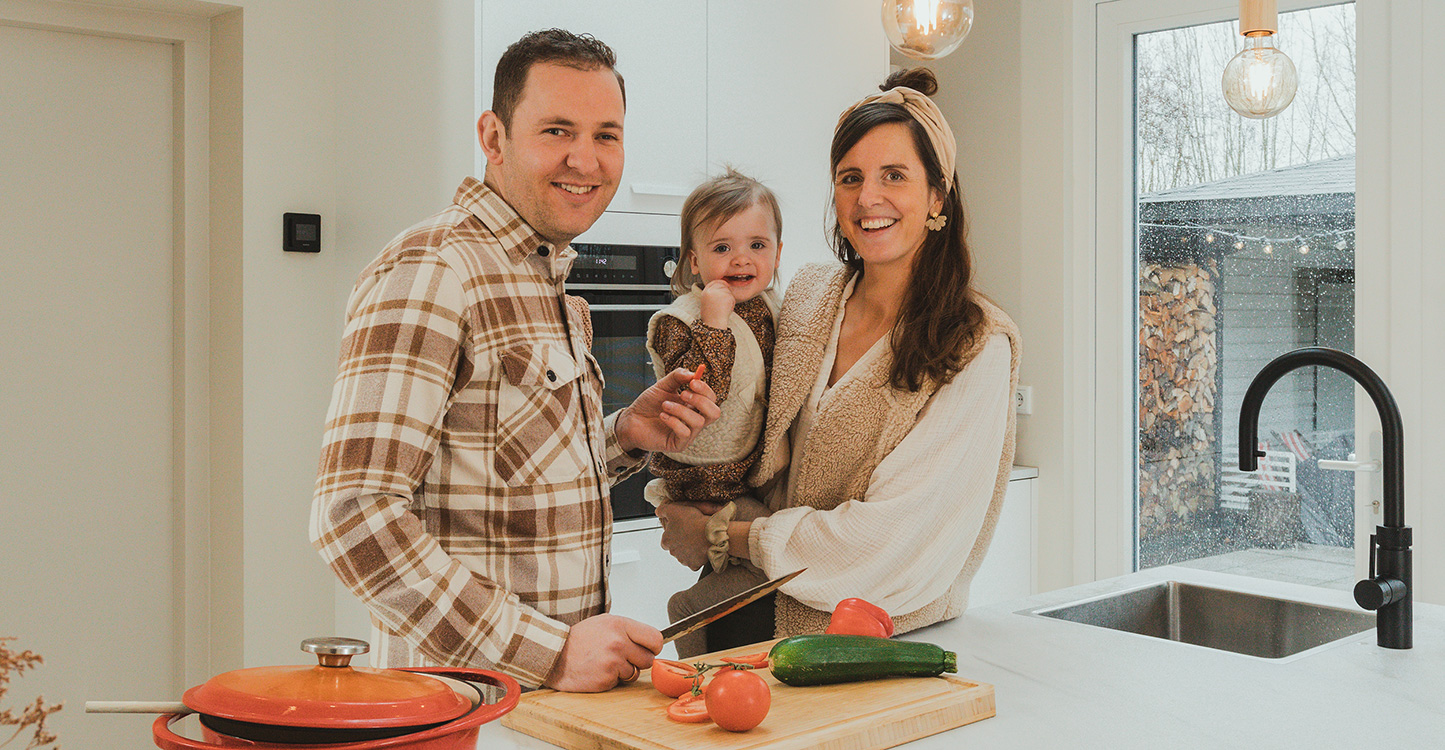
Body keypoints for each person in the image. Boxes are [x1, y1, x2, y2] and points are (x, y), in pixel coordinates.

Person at [309, 29, 721, 693]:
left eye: (606, 135)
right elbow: (354, 517)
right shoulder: (434, 268)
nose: (585, 160)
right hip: (463, 707)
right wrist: (548, 653)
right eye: (557, 130)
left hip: (544, 707)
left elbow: (502, 473)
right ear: (493, 137)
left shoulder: (543, 278)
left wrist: (624, 436)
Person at [655, 67, 1021, 651]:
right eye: (850, 178)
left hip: (862, 645)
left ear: (937, 194)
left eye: (894, 176)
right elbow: (743, 421)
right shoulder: (809, 295)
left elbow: (889, 544)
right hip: (737, 611)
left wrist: (722, 535)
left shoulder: (974, 344)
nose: (867, 198)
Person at [643, 168, 782, 657]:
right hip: (704, 479)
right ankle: (689, 610)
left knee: (759, 559)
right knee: (772, 558)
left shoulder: (768, 308)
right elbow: (703, 394)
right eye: (722, 248)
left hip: (741, 473)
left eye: (758, 245)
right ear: (693, 261)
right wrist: (714, 322)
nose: (741, 258)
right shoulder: (680, 322)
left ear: (778, 253)